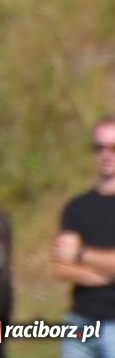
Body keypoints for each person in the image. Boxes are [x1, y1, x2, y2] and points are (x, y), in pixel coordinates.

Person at [53, 116, 115, 357]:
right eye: (100, 147)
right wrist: (105, 274)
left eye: (113, 147)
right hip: (79, 325)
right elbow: (61, 267)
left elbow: (71, 256)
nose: (106, 155)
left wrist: (80, 254)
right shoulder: (77, 207)